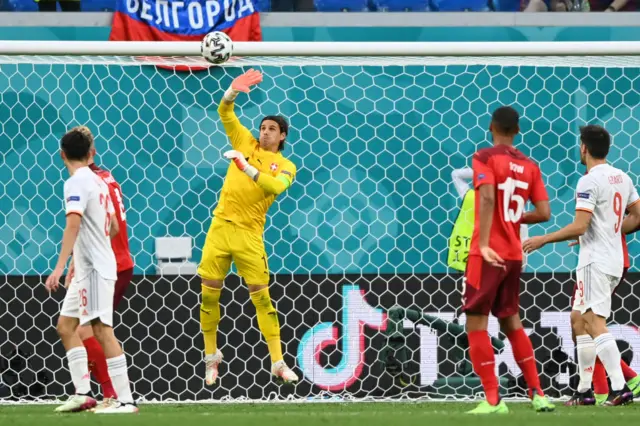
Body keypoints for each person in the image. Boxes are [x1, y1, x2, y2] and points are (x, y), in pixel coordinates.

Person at [524, 124, 639, 406]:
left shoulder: (588, 180)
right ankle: (585, 391)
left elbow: (580, 224)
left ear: (584, 148)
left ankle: (620, 387)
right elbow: (637, 216)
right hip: (612, 259)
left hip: (595, 261)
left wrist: (544, 239)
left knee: (594, 322)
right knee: (578, 320)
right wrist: (608, 232)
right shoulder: (622, 177)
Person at [198, 69, 298, 386]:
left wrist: (245, 166)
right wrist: (232, 91)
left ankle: (278, 362)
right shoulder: (245, 141)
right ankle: (211, 358)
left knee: (262, 299)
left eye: (272, 129)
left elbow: (275, 188)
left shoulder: (285, 165)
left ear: (282, 136)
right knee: (208, 296)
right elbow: (224, 112)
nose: (265, 132)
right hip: (220, 228)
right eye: (263, 127)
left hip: (249, 235)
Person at [464, 106, 554, 414]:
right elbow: (544, 213)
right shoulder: (531, 165)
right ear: (517, 131)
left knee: (476, 321)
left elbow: (487, 197)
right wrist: (513, 218)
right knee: (511, 320)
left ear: (491, 126)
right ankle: (538, 393)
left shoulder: (485, 157)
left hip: (487, 253)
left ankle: (492, 399)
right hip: (515, 254)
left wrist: (487, 242)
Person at [45, 127, 137, 414]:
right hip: (89, 267)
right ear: (90, 153)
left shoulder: (75, 183)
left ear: (62, 155)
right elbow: (112, 226)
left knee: (101, 329)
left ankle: (126, 401)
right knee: (66, 326)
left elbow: (73, 224)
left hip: (96, 269)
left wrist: (59, 267)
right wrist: (80, 259)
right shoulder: (100, 181)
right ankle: (83, 393)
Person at [449, 167, 529, 272]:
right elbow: (522, 235)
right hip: (488, 262)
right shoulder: (512, 204)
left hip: (473, 261)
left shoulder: (471, 197)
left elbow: (456, 174)